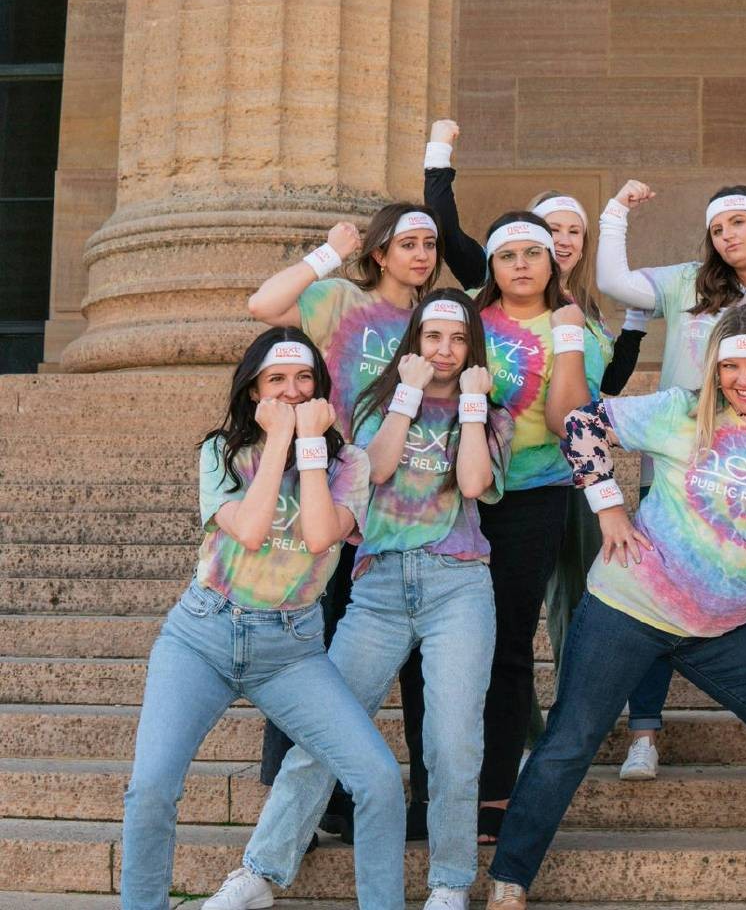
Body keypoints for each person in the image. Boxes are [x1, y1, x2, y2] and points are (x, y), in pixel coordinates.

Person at [485, 304, 746, 910]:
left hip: (726, 626)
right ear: (714, 368)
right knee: (570, 739)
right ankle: (510, 880)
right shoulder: (680, 411)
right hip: (628, 607)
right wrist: (609, 506)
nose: (744, 377)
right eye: (731, 365)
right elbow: (582, 423)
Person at [205, 291, 515, 910]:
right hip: (377, 587)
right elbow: (373, 469)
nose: (444, 351)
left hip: (457, 585)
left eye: (457, 340)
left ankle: (450, 884)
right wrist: (405, 393)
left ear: (472, 348)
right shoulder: (377, 402)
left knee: (453, 743)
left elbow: (477, 484)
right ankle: (261, 872)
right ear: (414, 342)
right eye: (432, 338)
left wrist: (474, 406)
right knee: (325, 731)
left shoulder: (490, 414)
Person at [121, 329, 403, 910]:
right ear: (254, 390)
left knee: (377, 780)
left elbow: (322, 534)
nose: (293, 391)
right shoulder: (219, 452)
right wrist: (279, 442)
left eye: (305, 379)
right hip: (201, 636)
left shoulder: (349, 462)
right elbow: (249, 531)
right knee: (150, 788)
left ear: (322, 391)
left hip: (291, 649)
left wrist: (308, 449)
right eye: (277, 380)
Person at [594, 179, 746, 779]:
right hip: (678, 464)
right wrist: (616, 212)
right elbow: (614, 282)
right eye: (717, 229)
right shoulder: (690, 283)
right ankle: (645, 733)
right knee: (654, 594)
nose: (726, 236)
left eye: (737, 223)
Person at [246, 204, 442, 839]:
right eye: (406, 244)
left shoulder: (436, 319)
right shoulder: (337, 300)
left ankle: (425, 801)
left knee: (413, 664)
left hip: (416, 506)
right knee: (313, 648)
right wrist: (329, 254)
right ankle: (297, 802)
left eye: (429, 244)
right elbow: (263, 305)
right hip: (334, 498)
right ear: (379, 253)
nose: (421, 255)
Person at [421, 155, 601, 842]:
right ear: (490, 266)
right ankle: (440, 782)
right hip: (452, 495)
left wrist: (566, 339)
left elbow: (565, 420)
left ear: (551, 263)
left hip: (534, 494)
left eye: (534, 253)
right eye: (509, 256)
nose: (523, 265)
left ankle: (496, 788)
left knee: (509, 641)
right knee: (446, 641)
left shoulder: (575, 326)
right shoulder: (465, 323)